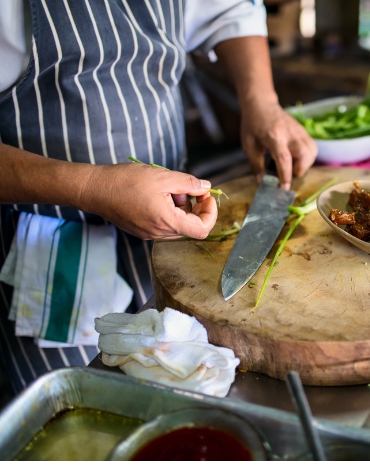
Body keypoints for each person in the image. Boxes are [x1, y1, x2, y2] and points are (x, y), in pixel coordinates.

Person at [0, 0, 317, 402]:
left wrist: (261, 100)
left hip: (177, 245)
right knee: (85, 418)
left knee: (182, 404)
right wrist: (90, 187)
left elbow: (231, 9)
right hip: (52, 258)